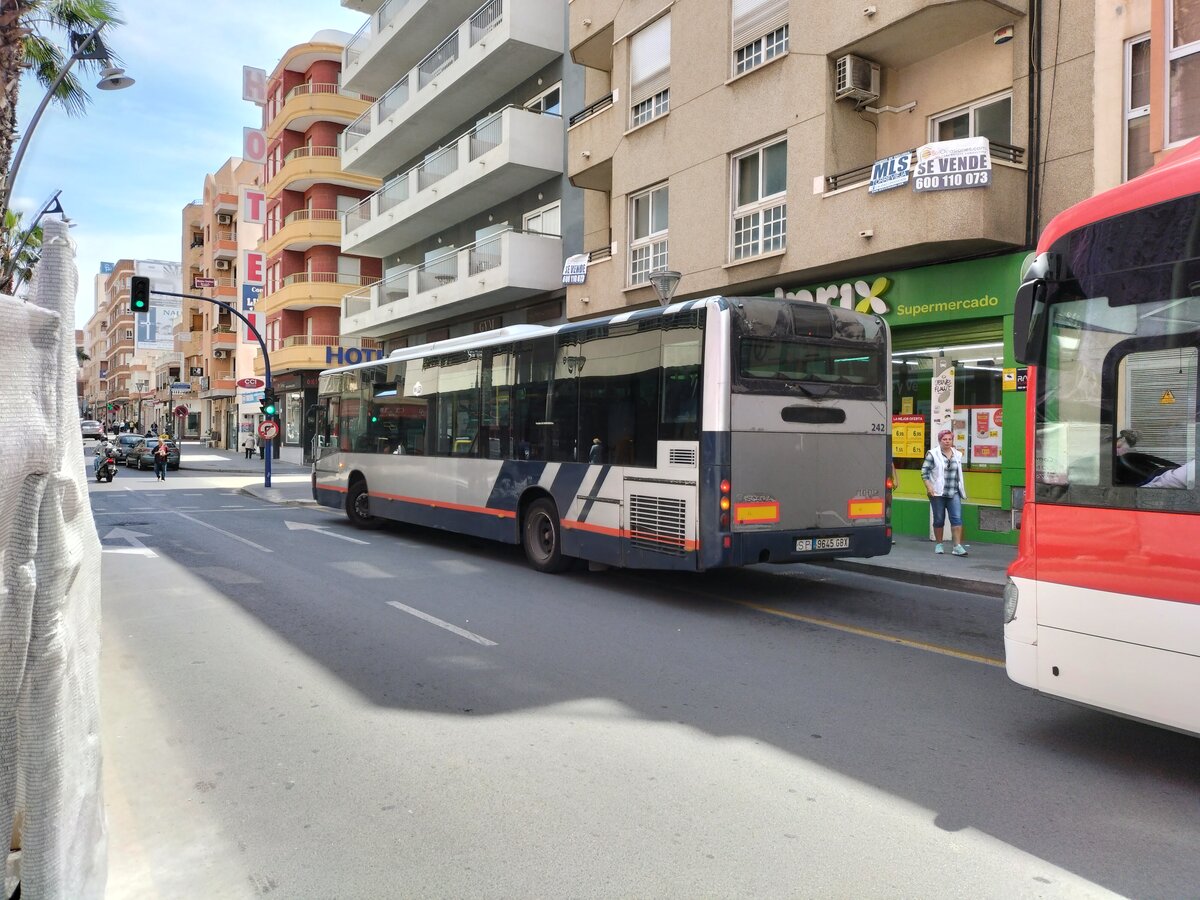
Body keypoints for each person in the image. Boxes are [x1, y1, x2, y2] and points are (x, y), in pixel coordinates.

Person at [921, 429, 969, 556]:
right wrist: (929, 486)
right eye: (945, 439)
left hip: (954, 491)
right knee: (939, 519)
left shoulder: (957, 454)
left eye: (949, 439)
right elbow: (924, 472)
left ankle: (957, 546)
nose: (947, 442)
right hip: (937, 493)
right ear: (940, 440)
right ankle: (939, 544)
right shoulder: (933, 454)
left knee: (957, 518)